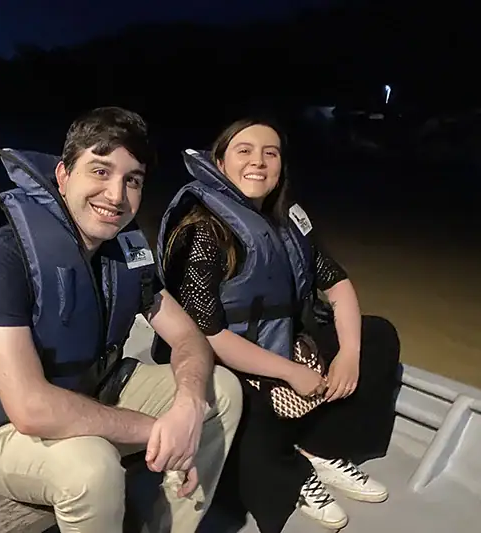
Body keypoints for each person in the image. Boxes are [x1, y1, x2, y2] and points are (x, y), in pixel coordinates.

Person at [0, 107, 243, 533]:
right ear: (63, 175)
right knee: (91, 466)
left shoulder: (125, 248)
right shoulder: (4, 256)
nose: (116, 196)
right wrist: (163, 431)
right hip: (5, 432)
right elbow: (29, 408)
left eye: (131, 180)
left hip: (99, 388)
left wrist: (189, 405)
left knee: (221, 390)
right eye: (100, 172)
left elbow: (187, 335)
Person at [155, 118, 401, 532]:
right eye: (244, 151)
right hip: (217, 355)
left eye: (271, 153)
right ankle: (293, 478)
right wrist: (290, 372)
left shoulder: (287, 222)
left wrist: (349, 356)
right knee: (241, 398)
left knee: (378, 335)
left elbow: (337, 284)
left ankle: (320, 448)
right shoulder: (202, 231)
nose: (259, 161)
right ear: (219, 163)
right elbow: (208, 334)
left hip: (280, 340)